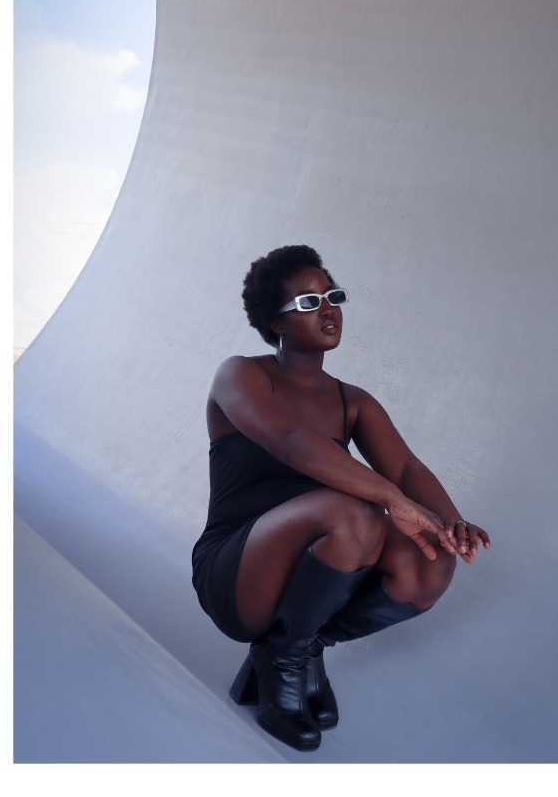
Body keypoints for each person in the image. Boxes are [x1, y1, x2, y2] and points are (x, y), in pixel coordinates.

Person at [192, 244, 490, 752]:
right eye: (309, 302)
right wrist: (392, 500)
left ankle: (298, 647)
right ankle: (283, 662)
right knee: (356, 514)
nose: (328, 309)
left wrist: (449, 521)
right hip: (237, 572)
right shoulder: (240, 375)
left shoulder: (353, 401)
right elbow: (291, 440)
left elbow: (406, 468)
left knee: (430, 557)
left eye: (333, 296)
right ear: (277, 322)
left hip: (321, 560)